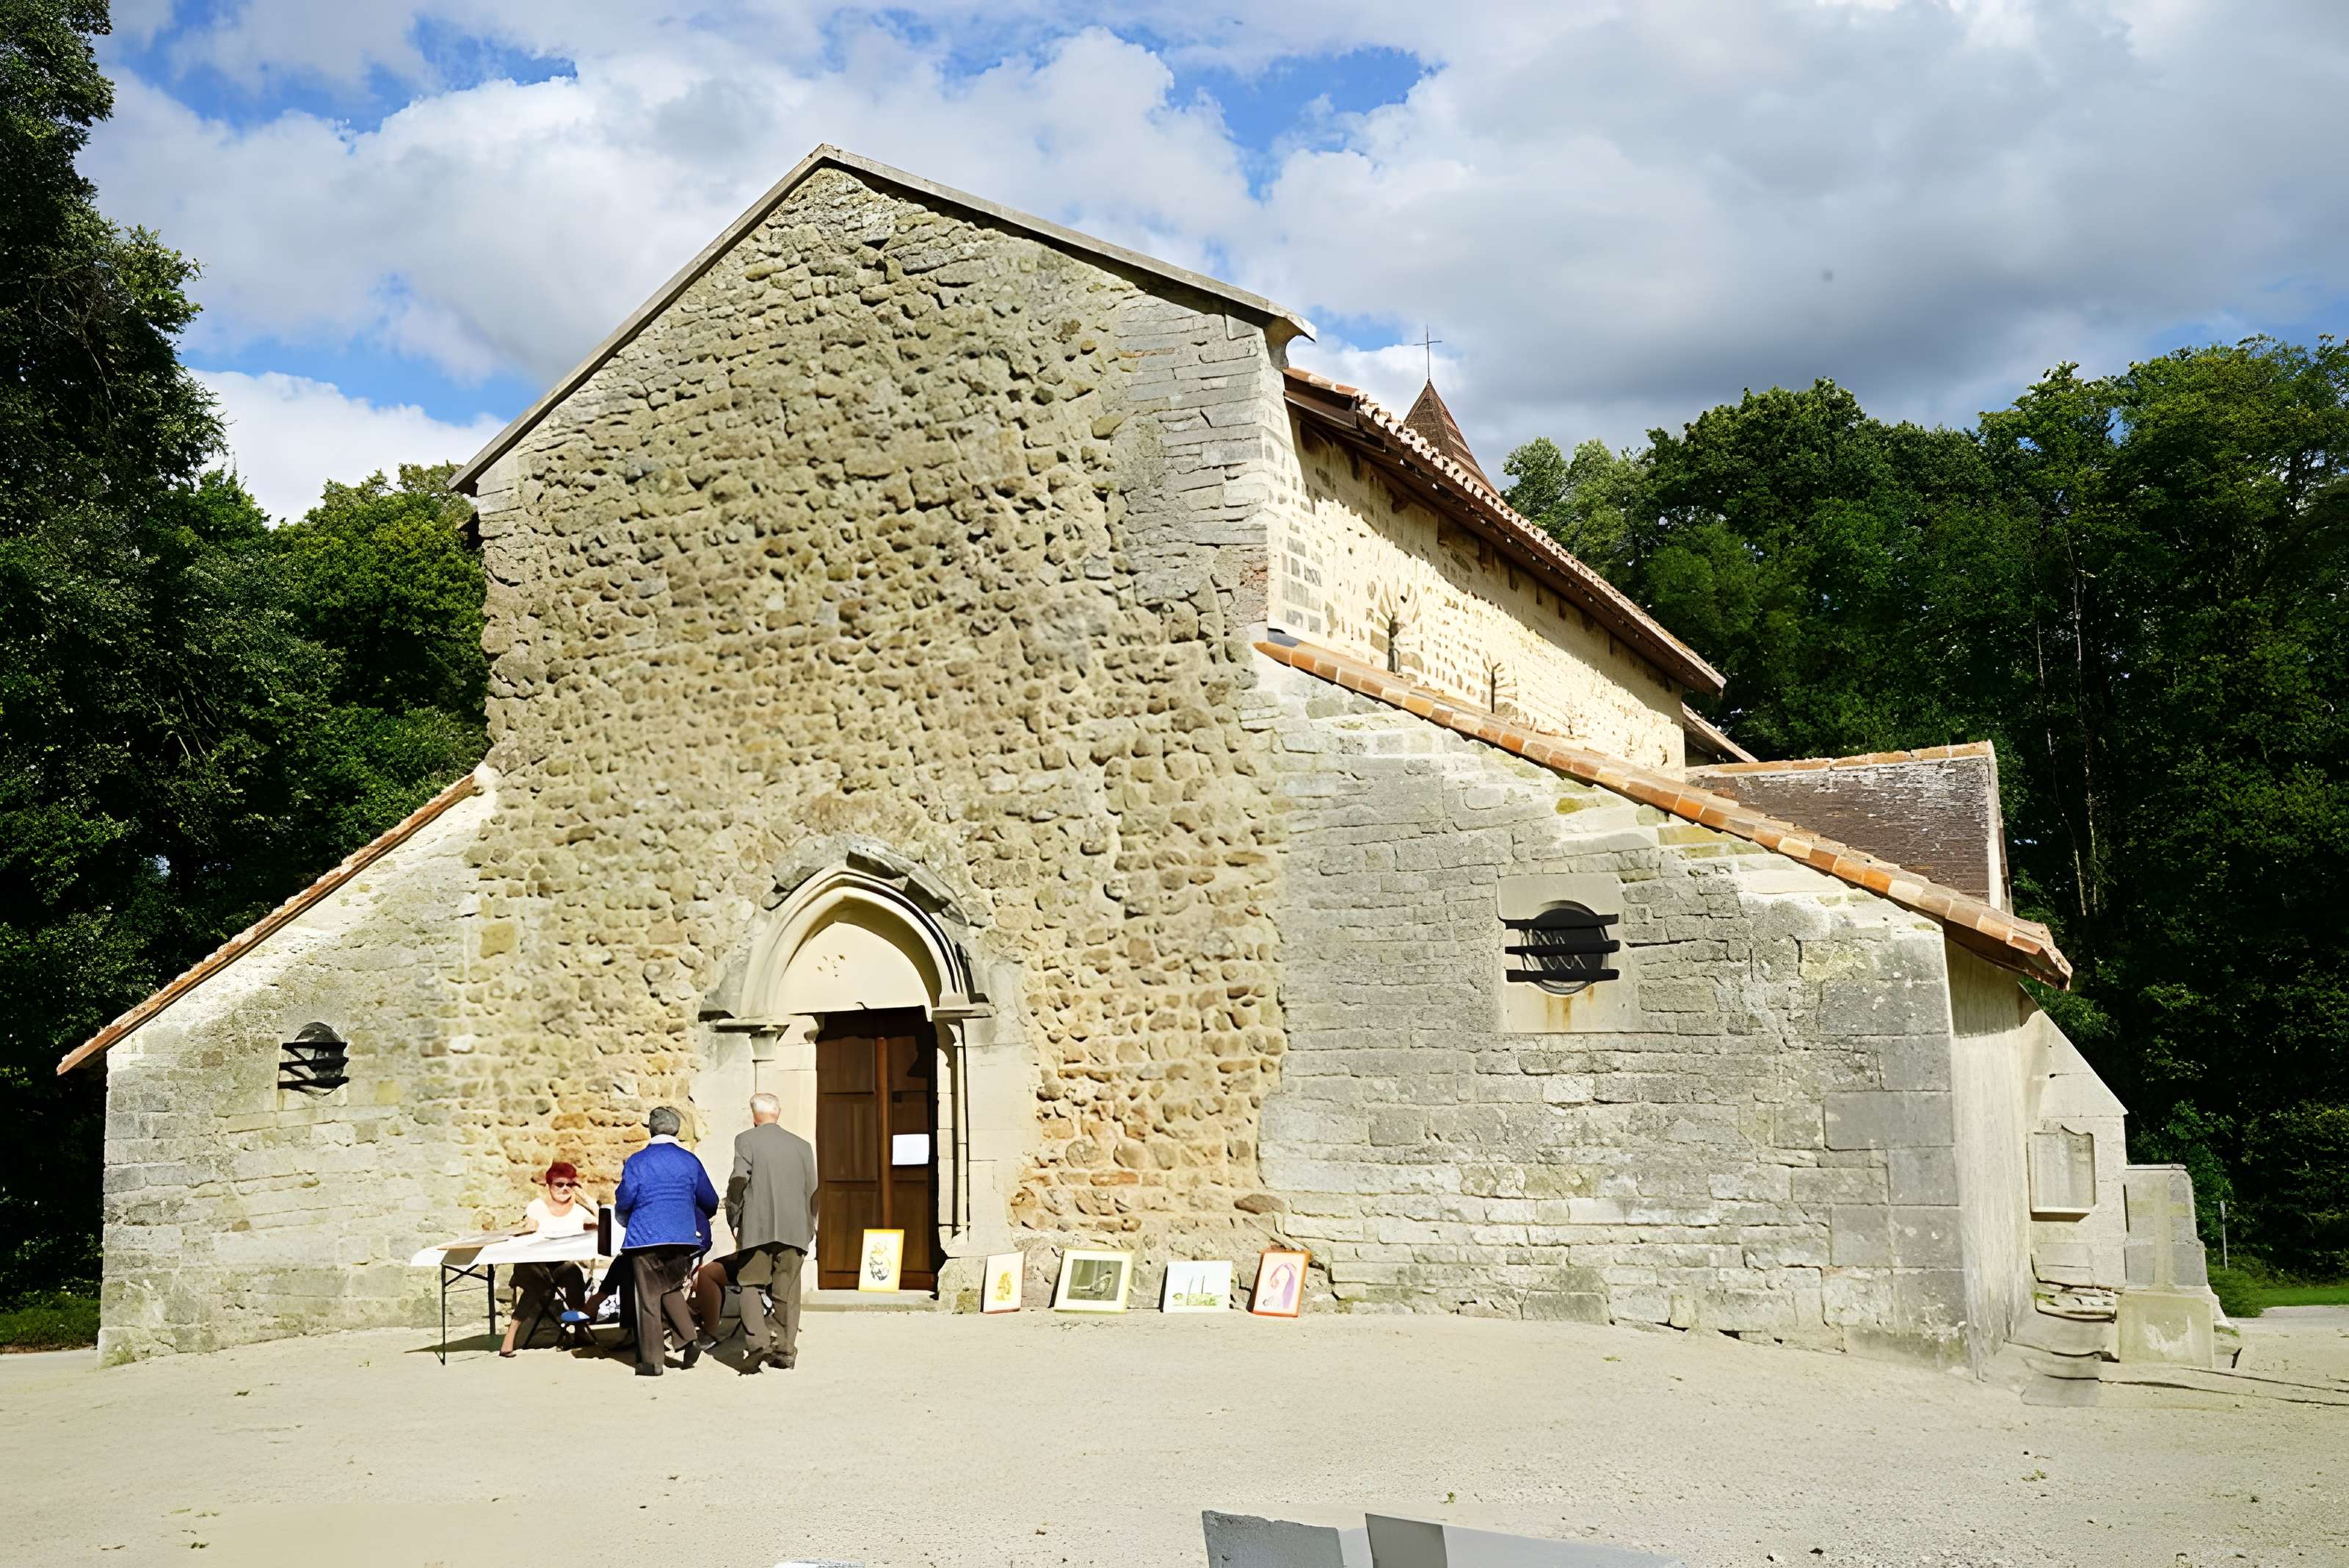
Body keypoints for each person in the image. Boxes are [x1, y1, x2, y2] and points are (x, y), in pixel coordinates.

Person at [690, 1092, 818, 1372]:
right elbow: (812, 1191)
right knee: (788, 1293)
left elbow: (738, 1180)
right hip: (795, 1229)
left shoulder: (746, 1139)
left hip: (757, 1227)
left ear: (754, 1116)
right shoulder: (803, 1146)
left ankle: (758, 1341)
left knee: (751, 1284)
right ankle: (785, 1350)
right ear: (779, 1113)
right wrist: (810, 1227)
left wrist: (733, 1217)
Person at [611, 1106, 719, 1377]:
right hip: (682, 1237)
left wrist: (626, 1220)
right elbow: (710, 1200)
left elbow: (624, 1200)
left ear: (650, 1128)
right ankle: (688, 1337)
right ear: (677, 1130)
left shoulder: (637, 1161)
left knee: (648, 1299)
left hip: (646, 1237)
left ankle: (652, 1361)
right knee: (670, 1288)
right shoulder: (689, 1161)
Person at [499, 1160, 596, 1357]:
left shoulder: (578, 1211)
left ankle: (579, 1329)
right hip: (532, 1264)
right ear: (549, 1185)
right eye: (559, 1184)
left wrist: (585, 1197)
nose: (564, 1189)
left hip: (558, 1267)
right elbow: (529, 1230)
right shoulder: (537, 1207)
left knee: (573, 1272)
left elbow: (602, 1222)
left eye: (570, 1184)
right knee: (539, 1280)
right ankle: (511, 1333)